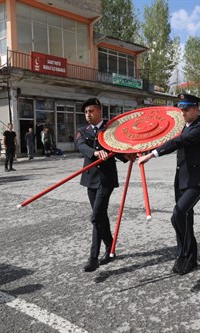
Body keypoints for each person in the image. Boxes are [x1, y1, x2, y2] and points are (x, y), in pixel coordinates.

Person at [138, 94, 200, 275]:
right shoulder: (185, 127)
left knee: (178, 215)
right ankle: (187, 257)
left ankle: (185, 254)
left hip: (196, 181)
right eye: (181, 109)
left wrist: (151, 154)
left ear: (196, 110)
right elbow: (166, 136)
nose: (183, 113)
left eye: (186, 109)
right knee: (185, 218)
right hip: (182, 180)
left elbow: (177, 142)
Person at [76, 97, 132, 272]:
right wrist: (95, 152)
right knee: (100, 216)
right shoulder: (82, 131)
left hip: (106, 179)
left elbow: (117, 149)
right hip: (90, 178)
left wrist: (127, 156)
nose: (88, 115)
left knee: (96, 216)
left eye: (91, 111)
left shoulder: (111, 129)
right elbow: (81, 146)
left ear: (99, 111)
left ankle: (93, 258)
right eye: (85, 112)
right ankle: (110, 246)